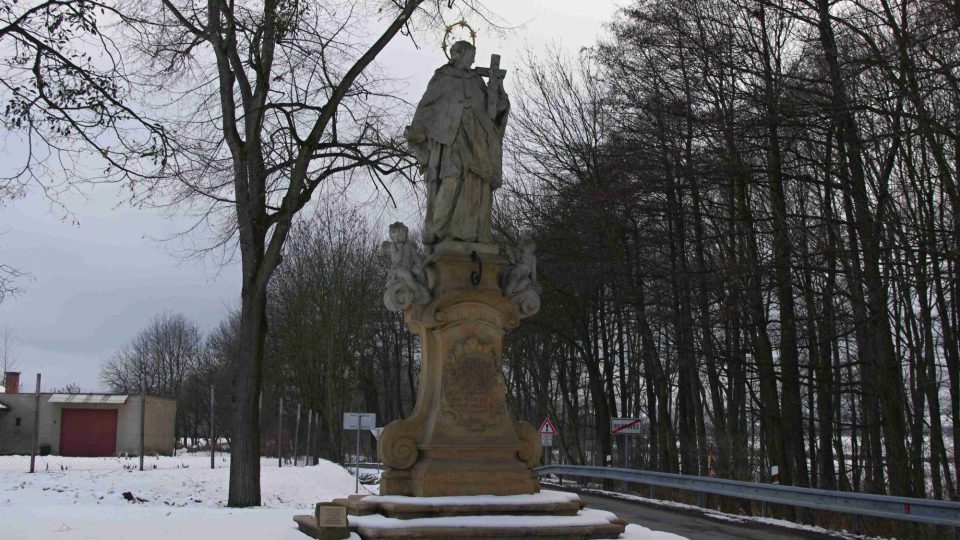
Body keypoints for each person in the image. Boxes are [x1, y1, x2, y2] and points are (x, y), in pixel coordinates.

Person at [404, 40, 509, 245]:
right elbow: (428, 106)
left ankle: (470, 233)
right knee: (450, 180)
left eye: (474, 55)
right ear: (457, 55)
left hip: (476, 141)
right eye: (470, 55)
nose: (473, 59)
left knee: (475, 184)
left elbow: (492, 109)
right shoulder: (442, 77)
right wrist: (418, 131)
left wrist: (498, 90)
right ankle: (438, 229)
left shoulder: (476, 80)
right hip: (450, 139)